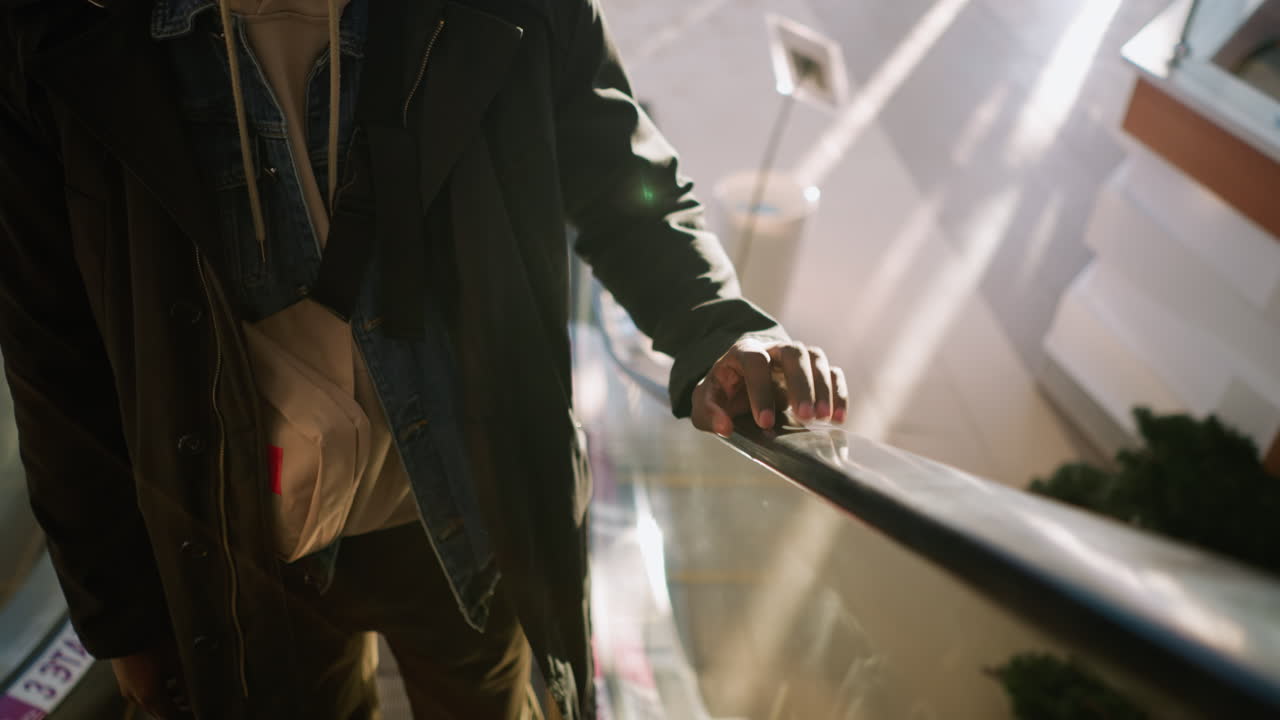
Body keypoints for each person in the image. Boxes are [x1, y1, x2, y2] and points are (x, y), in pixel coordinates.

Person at [0, 0, 848, 716]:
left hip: (469, 509)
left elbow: (615, 165)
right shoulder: (58, 28)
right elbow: (52, 355)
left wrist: (715, 322)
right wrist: (123, 619)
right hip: (241, 542)